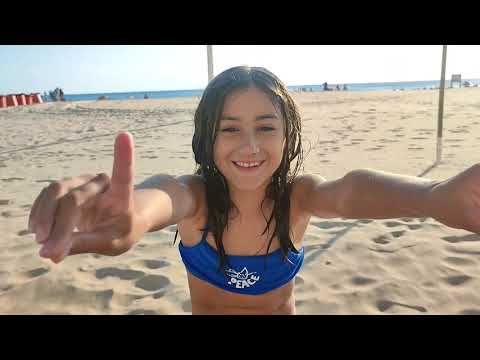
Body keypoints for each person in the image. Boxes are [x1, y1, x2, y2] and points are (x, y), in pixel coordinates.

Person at [28, 66, 480, 315]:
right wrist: (134, 215)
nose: (249, 145)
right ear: (208, 138)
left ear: (288, 137)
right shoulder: (198, 198)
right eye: (230, 129)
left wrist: (433, 196)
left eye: (266, 127)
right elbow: (162, 196)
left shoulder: (297, 198)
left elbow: (348, 191)